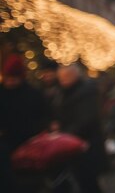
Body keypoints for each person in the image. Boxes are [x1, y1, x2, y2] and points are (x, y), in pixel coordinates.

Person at [53, 63, 106, 193]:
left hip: (85, 144)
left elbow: (87, 119)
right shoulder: (63, 93)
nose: (63, 80)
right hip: (74, 144)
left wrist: (63, 135)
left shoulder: (85, 91)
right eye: (61, 77)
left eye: (66, 76)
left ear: (75, 75)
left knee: (89, 182)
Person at [0, 54, 47, 192]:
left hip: (28, 142)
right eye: (8, 78)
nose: (10, 82)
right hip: (5, 143)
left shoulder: (33, 94)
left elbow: (42, 115)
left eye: (13, 79)